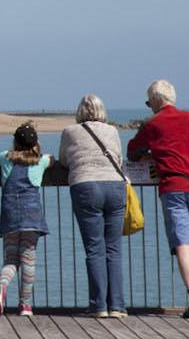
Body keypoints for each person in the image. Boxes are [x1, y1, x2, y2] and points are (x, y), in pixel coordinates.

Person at [127, 79, 189, 319]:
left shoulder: (153, 124)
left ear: (156, 101)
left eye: (149, 103)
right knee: (187, 245)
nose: (149, 107)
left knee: (182, 247)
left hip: (174, 188)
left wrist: (153, 154)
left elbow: (133, 152)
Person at [59, 95, 128, 319]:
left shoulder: (70, 132)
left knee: (94, 248)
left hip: (86, 186)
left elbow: (63, 160)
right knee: (114, 248)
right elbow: (118, 159)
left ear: (80, 111)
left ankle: (99, 305)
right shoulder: (113, 131)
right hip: (116, 187)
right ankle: (117, 305)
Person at [0, 121, 53, 317]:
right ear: (35, 143)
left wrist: (6, 154)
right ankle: (25, 305)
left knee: (11, 259)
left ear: (15, 142)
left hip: (10, 217)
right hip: (31, 218)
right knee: (28, 261)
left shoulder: (7, 158)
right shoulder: (40, 161)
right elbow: (52, 160)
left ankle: (2, 287)